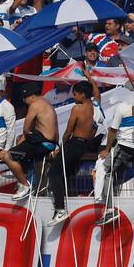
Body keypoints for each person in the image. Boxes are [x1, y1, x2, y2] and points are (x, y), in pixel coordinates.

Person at [45, 69, 101, 227]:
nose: (74, 97)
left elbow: (68, 132)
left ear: (82, 95)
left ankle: (60, 209)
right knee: (67, 173)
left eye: (75, 94)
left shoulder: (77, 109)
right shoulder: (95, 104)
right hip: (86, 145)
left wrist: (59, 149)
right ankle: (69, 200)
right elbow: (96, 91)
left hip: (74, 143)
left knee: (53, 173)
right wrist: (89, 77)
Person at [0, 82, 58, 201]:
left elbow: (26, 130)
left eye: (24, 99)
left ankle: (24, 186)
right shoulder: (47, 103)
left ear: (31, 96)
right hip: (50, 143)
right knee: (19, 152)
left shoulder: (35, 105)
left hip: (42, 143)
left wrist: (19, 143)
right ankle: (25, 179)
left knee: (8, 156)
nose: (25, 102)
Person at [97, 97, 134, 226]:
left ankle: (110, 209)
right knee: (116, 173)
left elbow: (113, 130)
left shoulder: (122, 106)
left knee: (106, 171)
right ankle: (111, 199)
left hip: (124, 145)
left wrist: (107, 149)